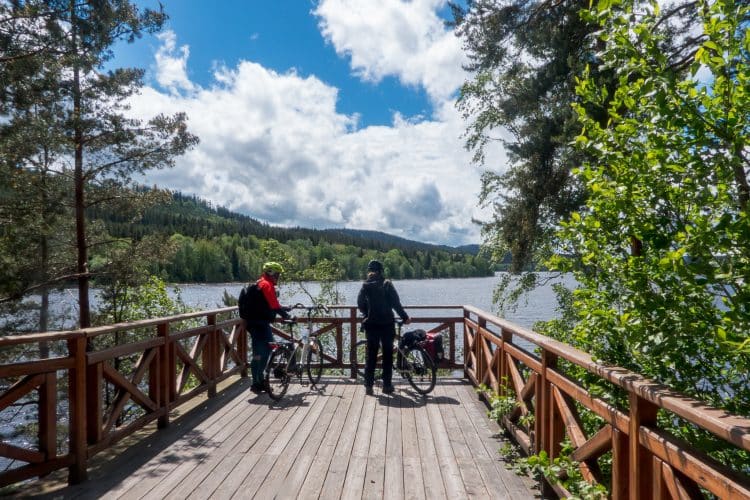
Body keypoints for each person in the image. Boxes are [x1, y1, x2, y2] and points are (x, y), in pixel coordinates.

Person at [357, 259, 410, 395]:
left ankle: (369, 386)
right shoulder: (387, 284)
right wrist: (405, 317)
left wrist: (366, 313)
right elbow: (396, 304)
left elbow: (360, 303)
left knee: (371, 356)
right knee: (387, 355)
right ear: (381, 271)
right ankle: (387, 386)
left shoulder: (365, 285)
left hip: (371, 325)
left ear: (369, 271)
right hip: (387, 325)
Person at [246, 261, 292, 393]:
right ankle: (258, 382)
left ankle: (257, 381)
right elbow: (273, 305)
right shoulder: (267, 285)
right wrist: (286, 316)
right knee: (263, 353)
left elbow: (268, 303)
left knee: (260, 353)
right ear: (271, 273)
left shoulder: (260, 283)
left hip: (255, 324)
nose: (278, 277)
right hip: (260, 325)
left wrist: (283, 308)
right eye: (277, 274)